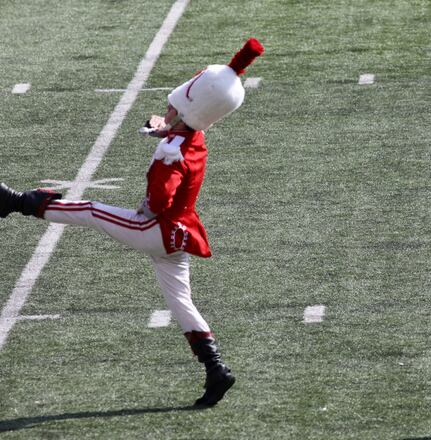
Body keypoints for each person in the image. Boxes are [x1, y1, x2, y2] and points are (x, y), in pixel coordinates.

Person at [0, 37, 264, 408]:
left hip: (156, 228)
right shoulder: (194, 136)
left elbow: (160, 199)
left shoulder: (172, 150)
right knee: (181, 302)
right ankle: (216, 368)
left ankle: (17, 202)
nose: (168, 109)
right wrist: (166, 130)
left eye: (173, 106)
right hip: (180, 233)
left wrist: (149, 200)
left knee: (92, 210)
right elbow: (183, 135)